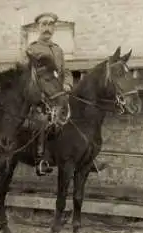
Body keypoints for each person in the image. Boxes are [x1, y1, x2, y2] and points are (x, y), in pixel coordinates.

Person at [27, 12, 107, 175]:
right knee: (42, 119)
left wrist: (67, 83)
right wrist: (40, 91)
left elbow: (66, 71)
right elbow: (25, 74)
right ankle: (41, 159)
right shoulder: (31, 49)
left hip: (58, 94)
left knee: (79, 115)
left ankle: (86, 155)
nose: (47, 28)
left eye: (50, 24)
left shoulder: (58, 50)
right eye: (44, 24)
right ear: (38, 27)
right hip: (40, 97)